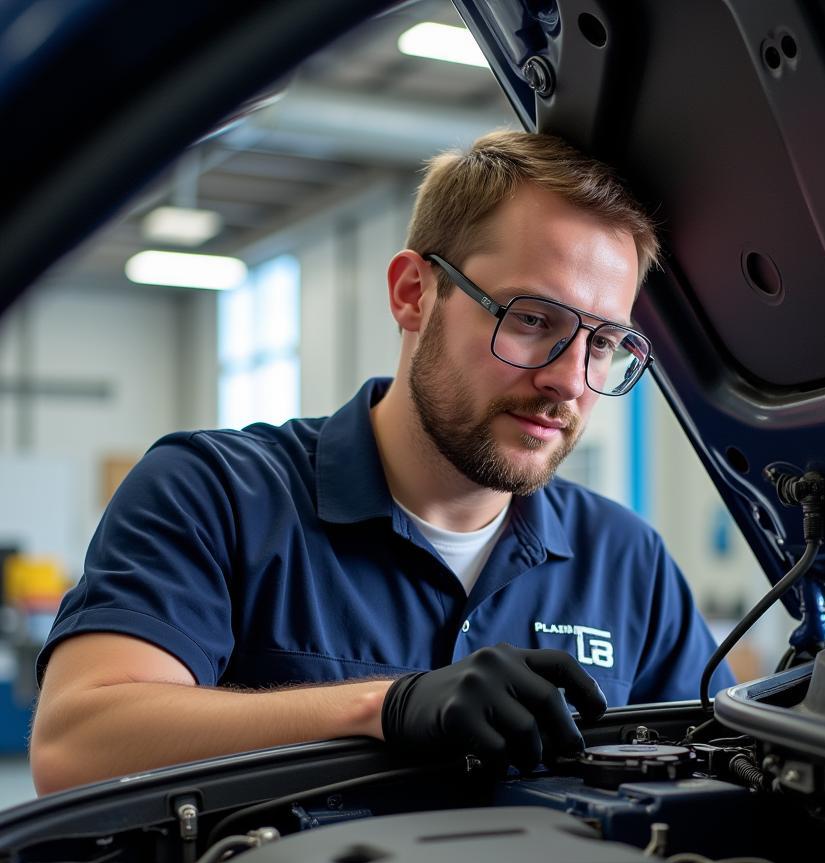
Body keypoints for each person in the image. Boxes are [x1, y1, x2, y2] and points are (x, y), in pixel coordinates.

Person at [29, 131, 734, 795]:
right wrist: (384, 708)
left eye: (603, 343)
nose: (570, 381)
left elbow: (718, 765)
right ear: (413, 294)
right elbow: (76, 745)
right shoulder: (213, 494)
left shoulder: (624, 559)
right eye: (530, 319)